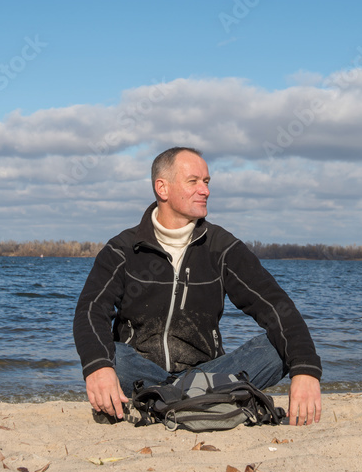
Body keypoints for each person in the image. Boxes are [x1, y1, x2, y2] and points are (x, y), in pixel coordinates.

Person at [73, 147, 322, 426]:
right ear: (162, 188)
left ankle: (164, 403)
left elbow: (277, 307)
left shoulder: (222, 247)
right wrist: (98, 368)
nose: (205, 190)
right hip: (140, 372)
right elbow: (90, 311)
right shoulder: (123, 249)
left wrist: (306, 371)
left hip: (209, 375)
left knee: (279, 349)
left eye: (206, 182)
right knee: (110, 355)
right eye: (193, 181)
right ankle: (194, 403)